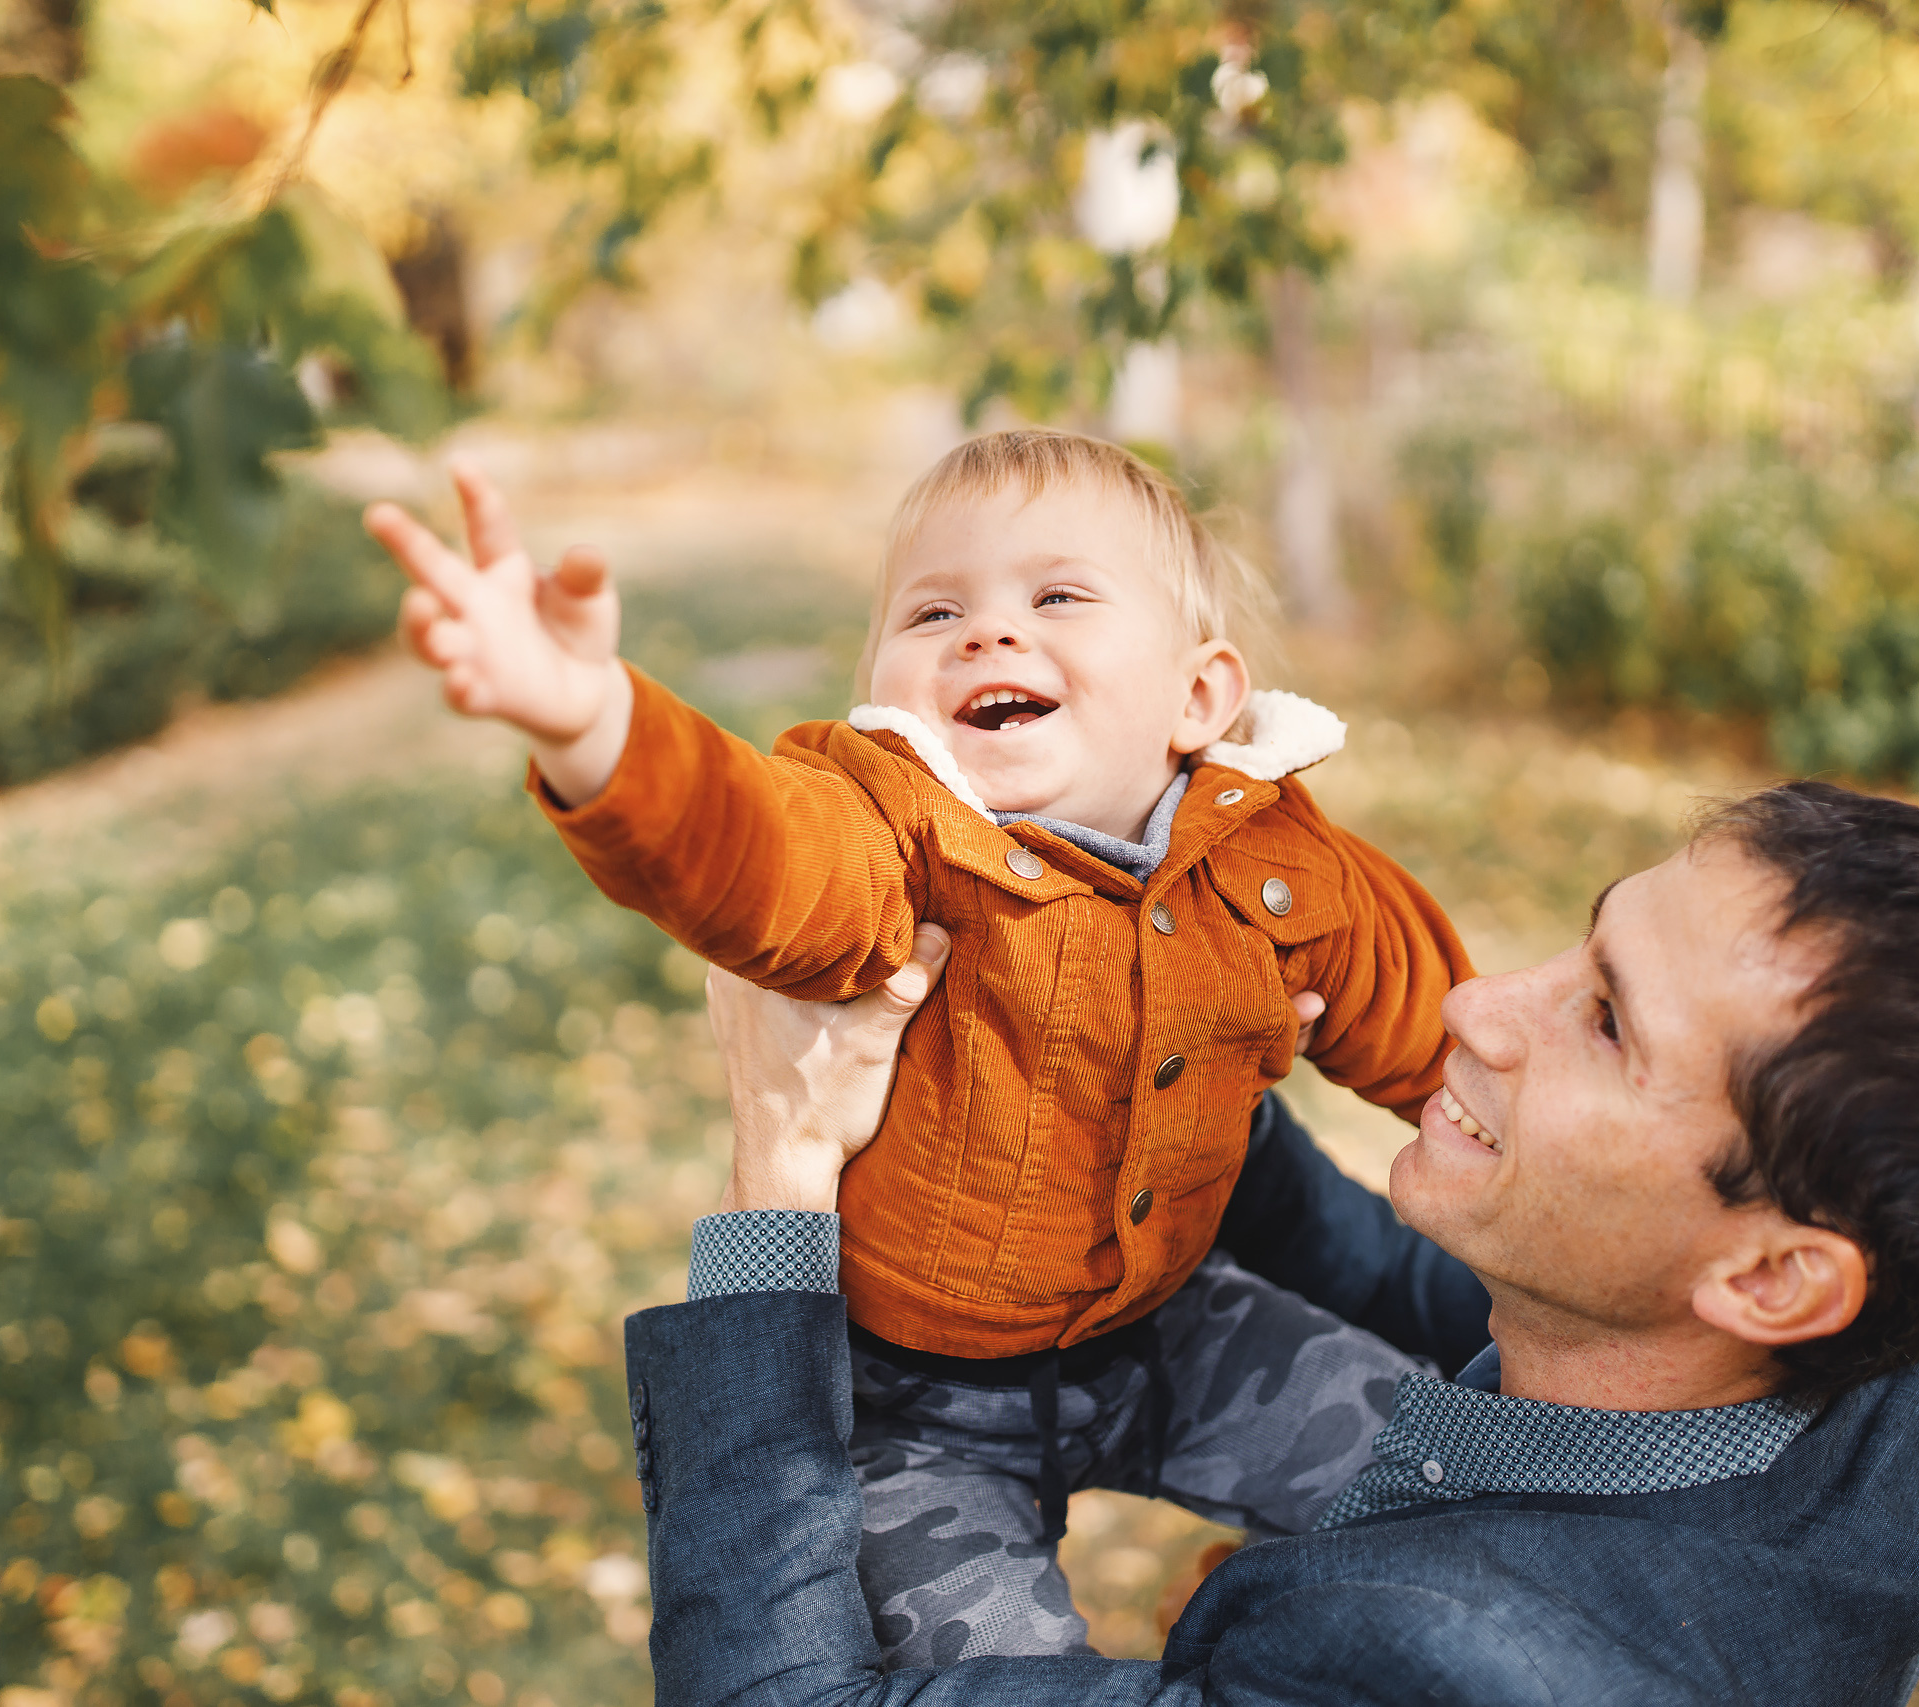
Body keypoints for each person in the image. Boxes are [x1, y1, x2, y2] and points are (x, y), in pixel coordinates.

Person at [625, 782, 1919, 1704]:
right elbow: (1425, 1286)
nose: (1478, 1005)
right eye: (1589, 941)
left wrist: (782, 1168)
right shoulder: (1884, 1356)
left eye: (1606, 1023)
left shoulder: (1420, 1663)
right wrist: (1146, 1043)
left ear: (1770, 1276)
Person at [367, 431, 1473, 1657]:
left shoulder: (1273, 858)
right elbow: (754, 851)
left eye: (1057, 597)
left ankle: (1269, 1616)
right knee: (987, 1672)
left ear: (1198, 698)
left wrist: (1510, 1116)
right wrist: (591, 726)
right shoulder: (896, 834)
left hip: (1176, 1324)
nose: (987, 633)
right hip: (919, 1410)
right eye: (934, 610)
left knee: (1458, 1483)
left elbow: (1431, 1016)